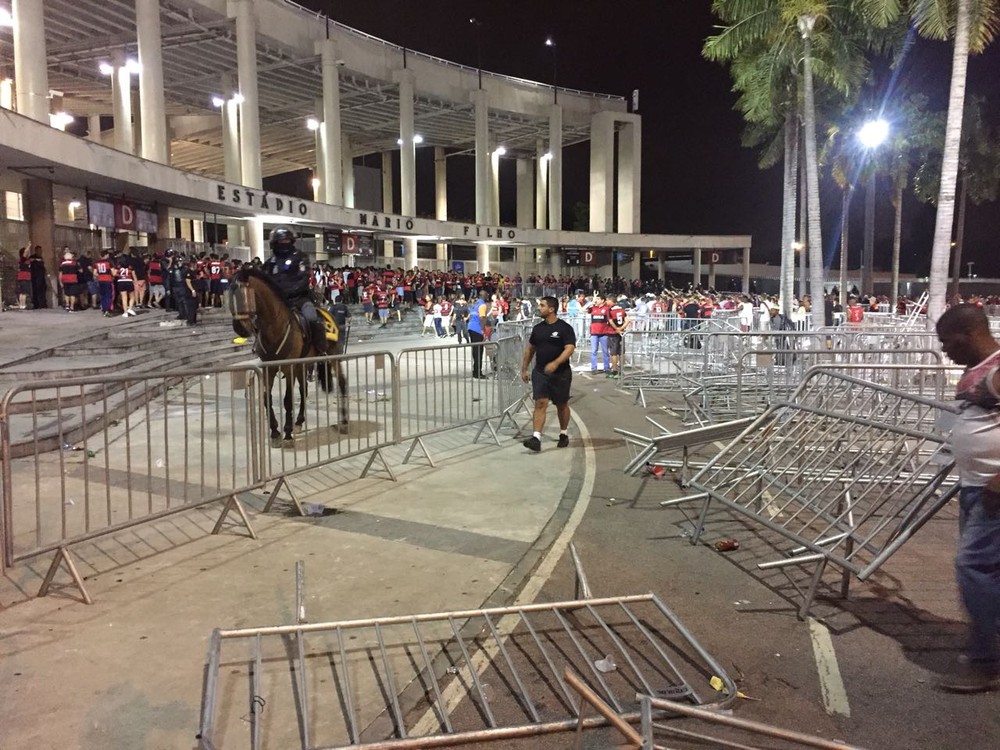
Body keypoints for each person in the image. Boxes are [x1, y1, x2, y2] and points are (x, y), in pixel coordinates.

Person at [935, 305, 1000, 693]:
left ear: (967, 332)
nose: (945, 350)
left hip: (994, 488)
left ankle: (986, 660)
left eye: (947, 341)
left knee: (972, 567)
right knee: (988, 569)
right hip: (975, 484)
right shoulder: (981, 369)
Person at [520, 296, 576, 452]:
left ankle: (563, 433)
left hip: (561, 373)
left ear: (551, 309)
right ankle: (536, 438)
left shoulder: (565, 328)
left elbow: (570, 348)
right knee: (540, 403)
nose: (539, 308)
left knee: (561, 404)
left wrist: (556, 362)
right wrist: (524, 368)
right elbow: (530, 349)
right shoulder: (538, 329)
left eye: (542, 306)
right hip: (540, 372)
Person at [262, 226, 326, 354]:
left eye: (286, 240)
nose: (284, 243)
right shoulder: (270, 263)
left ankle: (320, 351)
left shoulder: (301, 258)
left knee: (312, 318)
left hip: (300, 299)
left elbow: (304, 278)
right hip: (278, 302)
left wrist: (288, 292)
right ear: (275, 243)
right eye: (281, 241)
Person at [468, 291, 489, 378]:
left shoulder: (475, 304)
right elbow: (482, 318)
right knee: (479, 352)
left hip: (471, 327)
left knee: (475, 351)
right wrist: (483, 331)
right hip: (477, 329)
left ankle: (475, 371)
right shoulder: (482, 305)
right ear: (484, 295)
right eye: (487, 294)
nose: (488, 296)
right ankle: (478, 373)